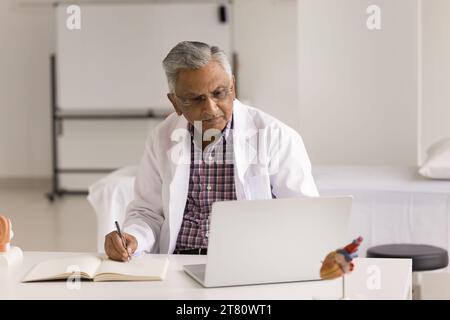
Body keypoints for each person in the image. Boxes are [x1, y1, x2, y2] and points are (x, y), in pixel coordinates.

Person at [104, 41, 319, 261]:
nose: (211, 108)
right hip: (177, 263)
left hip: (246, 263)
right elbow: (148, 212)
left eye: (219, 93)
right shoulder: (162, 137)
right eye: (196, 99)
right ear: (175, 102)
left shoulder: (275, 136)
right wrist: (133, 237)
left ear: (233, 87)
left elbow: (305, 216)